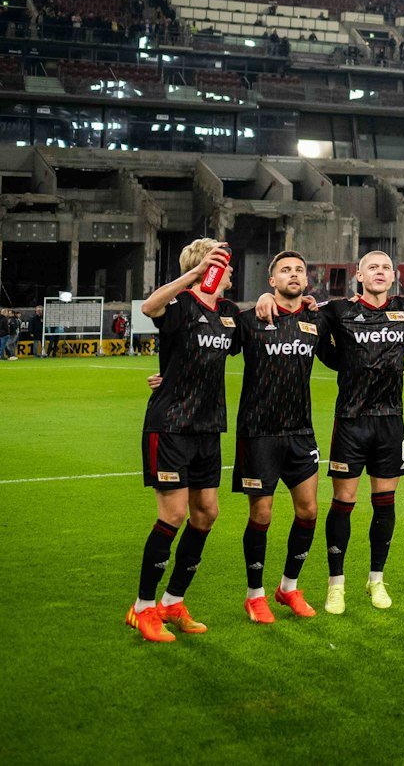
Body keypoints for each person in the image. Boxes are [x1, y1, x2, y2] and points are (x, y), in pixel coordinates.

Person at [260, 250, 404, 615]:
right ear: (359, 276)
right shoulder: (336, 311)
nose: (380, 273)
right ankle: (337, 585)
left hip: (391, 420)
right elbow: (304, 326)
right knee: (343, 503)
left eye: (385, 268)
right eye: (372, 268)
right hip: (350, 420)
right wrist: (266, 296)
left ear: (393, 276)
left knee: (385, 504)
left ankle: (376, 579)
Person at [127, 238, 234, 643]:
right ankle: (142, 608)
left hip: (208, 428)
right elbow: (149, 307)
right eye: (222, 264)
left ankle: (173, 601)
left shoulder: (226, 314)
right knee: (172, 515)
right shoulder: (181, 305)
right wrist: (193, 276)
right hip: (170, 425)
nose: (229, 271)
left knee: (206, 514)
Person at [229, 251, 323, 622]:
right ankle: (255, 595)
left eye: (300, 269)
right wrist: (164, 376)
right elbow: (208, 346)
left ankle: (288, 587)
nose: (294, 274)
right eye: (285, 270)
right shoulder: (250, 320)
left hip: (301, 432)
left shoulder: (317, 318)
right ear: (272, 281)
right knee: (262, 514)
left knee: (309, 511)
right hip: (258, 433)